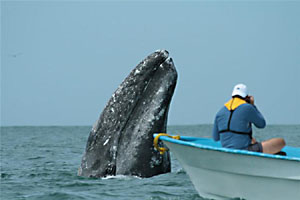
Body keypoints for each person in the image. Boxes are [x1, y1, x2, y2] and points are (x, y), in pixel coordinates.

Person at [212, 83, 286, 154]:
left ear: (232, 96)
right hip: (244, 150)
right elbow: (262, 124)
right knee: (281, 142)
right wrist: (253, 105)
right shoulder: (247, 107)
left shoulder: (220, 112)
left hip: (227, 150)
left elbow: (216, 138)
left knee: (252, 140)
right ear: (247, 97)